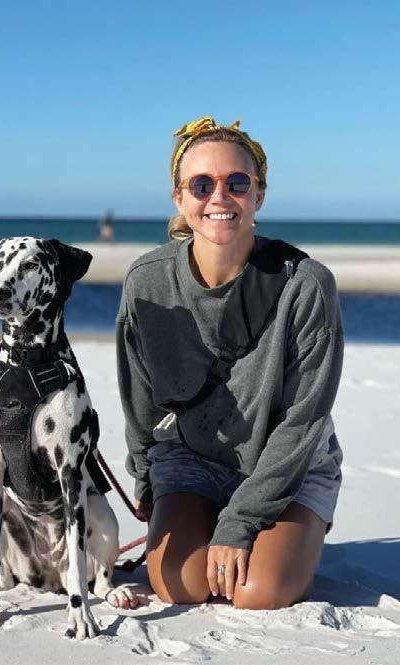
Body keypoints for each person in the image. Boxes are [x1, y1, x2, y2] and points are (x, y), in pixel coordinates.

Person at [115, 116, 344, 610]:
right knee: (181, 585)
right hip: (191, 460)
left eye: (236, 183)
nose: (219, 197)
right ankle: (212, 521)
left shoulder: (306, 285)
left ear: (258, 194)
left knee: (257, 593)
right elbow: (139, 396)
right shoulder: (146, 280)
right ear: (179, 198)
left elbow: (304, 419)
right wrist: (146, 479)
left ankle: (284, 535)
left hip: (288, 464)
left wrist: (240, 522)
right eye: (202, 185)